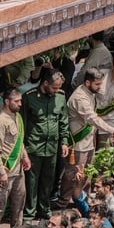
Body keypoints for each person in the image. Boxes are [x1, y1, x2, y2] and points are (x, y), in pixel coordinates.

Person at [59, 67, 114, 204]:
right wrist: (113, 130)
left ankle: (82, 200)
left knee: (87, 175)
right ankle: (66, 201)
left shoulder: (91, 93)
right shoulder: (80, 97)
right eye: (97, 84)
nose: (100, 87)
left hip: (88, 142)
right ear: (88, 83)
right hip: (79, 144)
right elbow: (92, 118)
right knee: (75, 175)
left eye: (101, 83)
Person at [21, 69, 69, 219]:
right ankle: (29, 213)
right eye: (54, 87)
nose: (56, 91)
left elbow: (63, 121)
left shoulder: (60, 97)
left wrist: (64, 142)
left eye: (59, 88)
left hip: (52, 148)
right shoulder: (29, 97)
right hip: (33, 147)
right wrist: (23, 150)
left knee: (48, 180)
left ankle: (44, 210)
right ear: (45, 83)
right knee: (32, 182)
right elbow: (21, 124)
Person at [0, 88, 30, 228]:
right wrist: (1, 172)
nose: (20, 104)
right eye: (16, 101)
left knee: (19, 204)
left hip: (18, 170)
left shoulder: (16, 116)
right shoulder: (0, 122)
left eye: (20, 101)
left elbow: (18, 140)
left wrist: (24, 156)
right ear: (7, 101)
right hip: (5, 171)